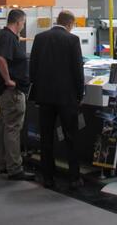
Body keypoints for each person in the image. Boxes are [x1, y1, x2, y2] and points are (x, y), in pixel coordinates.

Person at [29, 10, 84, 190]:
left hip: (44, 97)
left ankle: (48, 177)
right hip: (66, 97)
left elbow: (33, 68)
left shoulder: (40, 38)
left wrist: (37, 91)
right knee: (71, 137)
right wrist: (80, 94)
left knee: (46, 138)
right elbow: (78, 70)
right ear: (70, 24)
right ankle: (74, 177)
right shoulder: (72, 40)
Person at [0, 9, 33, 181]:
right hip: (11, 92)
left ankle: (5, 164)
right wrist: (8, 80)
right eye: (23, 23)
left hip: (5, 92)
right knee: (13, 128)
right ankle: (15, 168)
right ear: (18, 22)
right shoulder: (8, 37)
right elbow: (1, 58)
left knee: (5, 127)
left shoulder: (4, 37)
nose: (23, 26)